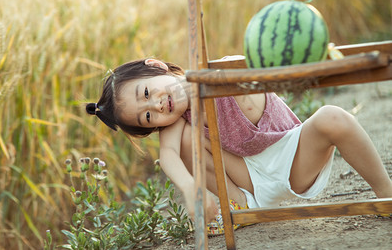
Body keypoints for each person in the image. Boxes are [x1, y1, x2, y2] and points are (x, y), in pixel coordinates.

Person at [86, 57, 392, 235]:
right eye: (148, 117)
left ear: (156, 65)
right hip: (248, 183)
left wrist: (209, 85)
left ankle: (386, 193)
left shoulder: (215, 72)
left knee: (332, 118)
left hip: (290, 157)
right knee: (183, 139)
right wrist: (193, 188)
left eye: (147, 93)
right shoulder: (176, 123)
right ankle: (234, 208)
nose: (156, 105)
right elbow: (167, 157)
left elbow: (251, 79)